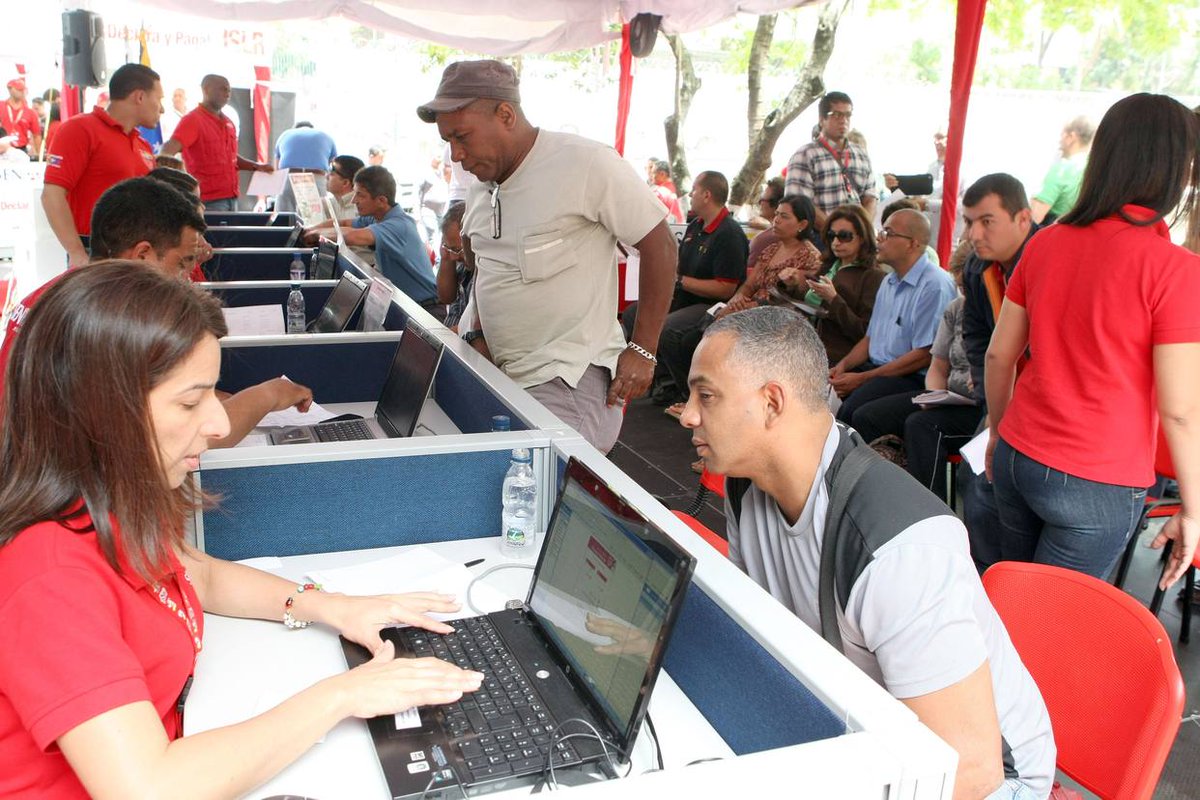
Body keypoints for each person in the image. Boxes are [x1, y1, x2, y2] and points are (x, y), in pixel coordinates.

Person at [0, 262, 483, 799]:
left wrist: (333, 606)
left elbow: (198, 576)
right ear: (97, 410)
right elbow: (148, 788)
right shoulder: (48, 574)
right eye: (190, 401)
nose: (220, 423)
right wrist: (342, 696)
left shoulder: (110, 500)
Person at [680, 306, 1054, 799]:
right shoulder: (748, 485)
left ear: (772, 402)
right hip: (863, 725)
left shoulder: (897, 547)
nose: (687, 413)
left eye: (705, 395)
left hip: (989, 783)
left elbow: (969, 772)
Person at [984, 93, 1200, 587]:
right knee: (1050, 627)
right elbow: (1182, 410)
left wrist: (998, 433)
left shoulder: (1047, 241)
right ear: (1175, 167)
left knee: (1013, 603)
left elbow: (1000, 355)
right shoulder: (1177, 271)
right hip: (1098, 478)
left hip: (1020, 450)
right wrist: (1194, 507)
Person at [417, 59, 677, 454]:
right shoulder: (480, 187)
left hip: (567, 377)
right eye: (448, 141)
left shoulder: (586, 163)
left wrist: (643, 349)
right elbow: (484, 266)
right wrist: (479, 331)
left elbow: (660, 246)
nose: (455, 155)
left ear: (505, 114)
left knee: (533, 485)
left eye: (462, 136)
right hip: (502, 371)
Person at [3, 178, 312, 446]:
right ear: (142, 254)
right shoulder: (112, 321)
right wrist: (271, 393)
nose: (186, 278)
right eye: (181, 263)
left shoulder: (61, 293)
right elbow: (194, 436)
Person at [956, 174, 1038, 572]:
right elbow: (975, 334)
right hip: (1002, 397)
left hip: (1041, 402)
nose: (974, 233)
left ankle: (1012, 587)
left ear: (1023, 218)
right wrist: (991, 396)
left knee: (992, 488)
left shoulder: (1048, 260)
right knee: (976, 482)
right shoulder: (978, 269)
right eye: (969, 221)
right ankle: (987, 579)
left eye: (986, 221)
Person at [623, 170, 747, 406]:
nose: (691, 195)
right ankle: (660, 379)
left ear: (707, 195)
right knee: (632, 314)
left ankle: (687, 391)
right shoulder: (695, 226)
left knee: (669, 328)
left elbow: (725, 289)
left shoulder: (729, 234)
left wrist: (680, 282)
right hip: (684, 296)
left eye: (695, 190)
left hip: (711, 305)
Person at [830, 209, 956, 430]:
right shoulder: (889, 281)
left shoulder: (934, 284)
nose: (880, 238)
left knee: (857, 413)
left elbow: (924, 355)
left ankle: (863, 464)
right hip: (879, 369)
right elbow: (871, 337)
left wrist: (863, 378)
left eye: (888, 233)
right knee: (821, 393)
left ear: (913, 243)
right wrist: (842, 366)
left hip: (912, 377)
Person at [41, 64, 161, 267]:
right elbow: (52, 194)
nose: (162, 108)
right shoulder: (79, 129)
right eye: (159, 99)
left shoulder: (143, 145)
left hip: (138, 255)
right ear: (139, 97)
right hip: (95, 253)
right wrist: (77, 253)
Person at [160, 75, 273, 211]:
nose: (227, 94)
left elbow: (230, 159)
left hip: (232, 198)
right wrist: (172, 184)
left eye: (229, 91)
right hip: (207, 201)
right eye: (223, 89)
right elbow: (168, 150)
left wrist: (256, 166)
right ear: (206, 90)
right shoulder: (193, 120)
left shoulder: (228, 122)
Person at [341, 165, 440, 315]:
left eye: (360, 195)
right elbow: (343, 224)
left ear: (381, 200)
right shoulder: (377, 218)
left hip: (426, 309)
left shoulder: (398, 225)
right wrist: (311, 229)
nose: (354, 201)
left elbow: (351, 237)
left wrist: (315, 235)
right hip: (407, 306)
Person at [796, 204, 885, 365]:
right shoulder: (830, 265)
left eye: (844, 236)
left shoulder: (872, 276)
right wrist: (792, 285)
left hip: (837, 356)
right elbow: (808, 303)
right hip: (806, 344)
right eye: (832, 235)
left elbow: (864, 332)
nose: (836, 242)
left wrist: (834, 299)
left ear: (862, 238)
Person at [784, 91, 877, 230]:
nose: (843, 120)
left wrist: (863, 232)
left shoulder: (861, 155)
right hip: (820, 239)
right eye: (837, 115)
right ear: (822, 119)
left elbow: (870, 197)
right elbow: (801, 204)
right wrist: (835, 233)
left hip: (857, 241)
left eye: (848, 115)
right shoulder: (805, 155)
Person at [1029, 116, 1093, 225]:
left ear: (1071, 136)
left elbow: (1034, 217)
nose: (1060, 140)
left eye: (1062, 134)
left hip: (1054, 233)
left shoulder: (1062, 170)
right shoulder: (1093, 168)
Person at [273, 121, 338, 214]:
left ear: (294, 129)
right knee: (315, 218)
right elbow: (333, 164)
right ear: (312, 128)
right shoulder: (325, 136)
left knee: (284, 218)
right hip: (316, 177)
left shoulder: (285, 135)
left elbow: (277, 169)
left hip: (288, 177)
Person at [437, 202, 473, 331]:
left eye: (458, 250)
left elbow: (476, 328)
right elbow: (446, 297)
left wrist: (444, 337)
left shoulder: (488, 270)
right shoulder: (461, 263)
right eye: (450, 248)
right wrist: (446, 257)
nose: (454, 257)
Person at [3, 78, 41, 157]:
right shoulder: (1, 106)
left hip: (21, 149)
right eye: (18, 89)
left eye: (23, 90)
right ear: (10, 89)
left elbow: (36, 135)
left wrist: (39, 154)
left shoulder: (30, 112)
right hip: (3, 148)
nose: (22, 92)